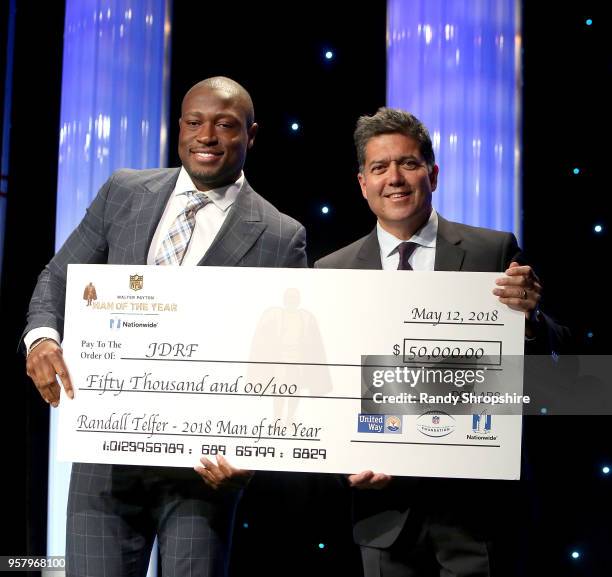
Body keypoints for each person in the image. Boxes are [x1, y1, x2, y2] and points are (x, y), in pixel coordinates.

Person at [23, 76, 307, 577]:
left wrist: (254, 454)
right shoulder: (123, 191)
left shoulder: (281, 235)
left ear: (252, 135)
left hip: (202, 471)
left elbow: (286, 361)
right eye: (194, 122)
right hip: (105, 461)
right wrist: (42, 338)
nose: (207, 136)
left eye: (225, 125)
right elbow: (58, 277)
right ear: (179, 127)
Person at [315, 107, 567, 577]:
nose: (395, 178)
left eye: (408, 163)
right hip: (383, 513)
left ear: (433, 173)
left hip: (476, 511)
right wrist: (344, 460)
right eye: (379, 167)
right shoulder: (332, 272)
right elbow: (323, 386)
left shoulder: (493, 250)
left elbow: (558, 364)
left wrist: (531, 320)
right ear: (362, 183)